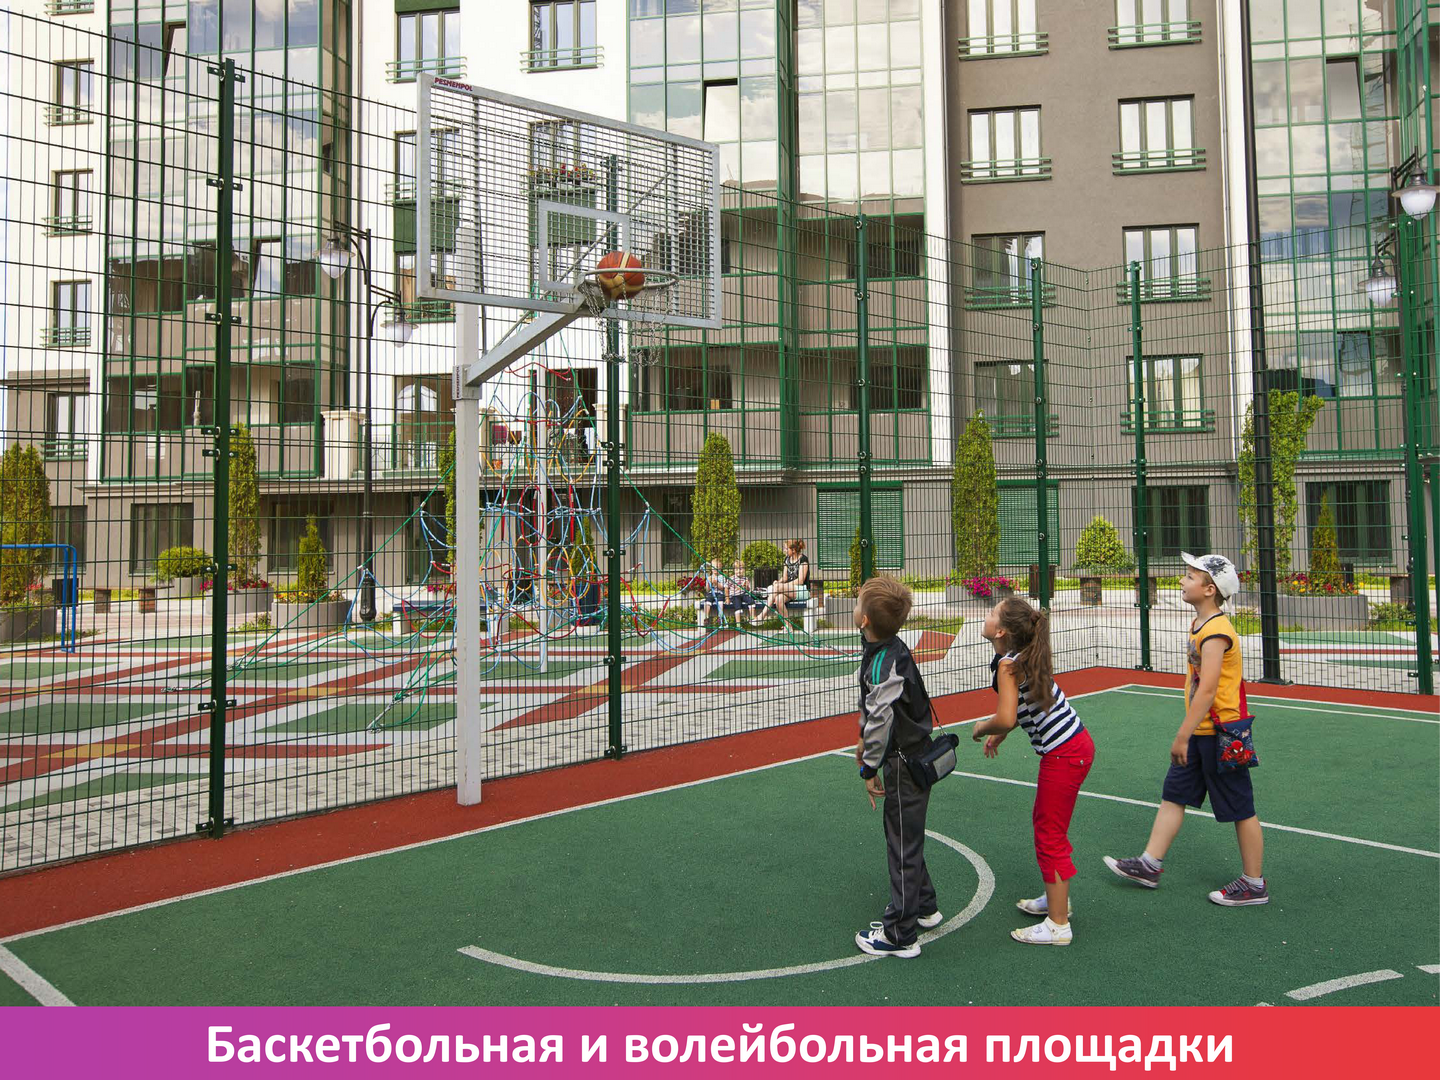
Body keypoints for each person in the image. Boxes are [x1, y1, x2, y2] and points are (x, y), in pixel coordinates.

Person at [1102, 551, 1268, 907]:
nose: (1181, 580)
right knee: (1174, 794)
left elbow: (1207, 689)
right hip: (1202, 732)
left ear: (1210, 589)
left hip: (1221, 735)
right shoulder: (1201, 625)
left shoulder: (1216, 632)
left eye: (1190, 576)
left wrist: (1183, 734)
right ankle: (1149, 864)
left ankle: (1254, 883)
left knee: (1241, 807)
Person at [971, 598, 1095, 946]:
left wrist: (984, 726)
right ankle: (1057, 901)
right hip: (1073, 746)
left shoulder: (1008, 664)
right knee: (1048, 827)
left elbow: (1006, 715)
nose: (986, 615)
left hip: (1064, 753)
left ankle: (1058, 925)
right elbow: (1024, 707)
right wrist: (1002, 733)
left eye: (992, 613)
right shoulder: (1020, 657)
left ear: (1001, 631)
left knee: (1049, 834)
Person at [852, 575, 941, 959]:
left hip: (904, 764)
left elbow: (881, 717)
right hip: (912, 756)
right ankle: (924, 906)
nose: (855, 605)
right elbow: (876, 708)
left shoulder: (884, 660)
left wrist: (869, 767)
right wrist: (866, 740)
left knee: (902, 844)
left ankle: (900, 934)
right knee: (907, 835)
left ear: (864, 620)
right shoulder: (889, 648)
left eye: (858, 602)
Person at [752, 538, 809, 622]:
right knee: (779, 599)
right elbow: (785, 578)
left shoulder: (803, 559)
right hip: (788, 590)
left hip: (802, 590)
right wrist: (778, 582)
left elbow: (800, 581)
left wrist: (782, 586)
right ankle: (788, 626)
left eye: (786, 548)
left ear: (793, 550)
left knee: (778, 587)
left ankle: (762, 615)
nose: (784, 550)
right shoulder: (787, 559)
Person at [696, 559, 727, 626]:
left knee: (720, 602)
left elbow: (722, 588)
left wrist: (716, 583)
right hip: (711, 593)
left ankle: (720, 617)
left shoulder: (722, 577)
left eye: (717, 567)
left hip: (720, 593)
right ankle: (706, 617)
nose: (715, 569)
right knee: (707, 601)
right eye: (713, 567)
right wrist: (708, 583)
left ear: (720, 568)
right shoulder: (709, 577)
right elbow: (707, 590)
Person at [722, 559, 753, 626]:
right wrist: (727, 598)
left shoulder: (745, 578)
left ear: (744, 570)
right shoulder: (731, 578)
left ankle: (752, 618)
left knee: (751, 601)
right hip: (734, 596)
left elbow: (747, 590)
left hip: (743, 594)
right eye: (736, 569)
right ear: (734, 570)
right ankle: (738, 624)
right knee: (738, 606)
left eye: (740, 569)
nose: (738, 571)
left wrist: (747, 586)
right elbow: (726, 588)